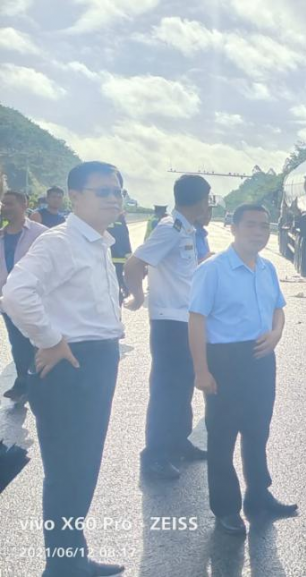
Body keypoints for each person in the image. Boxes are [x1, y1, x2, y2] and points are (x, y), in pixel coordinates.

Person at [3, 161, 127, 577]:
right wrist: (50, 339)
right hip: (73, 365)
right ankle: (61, 566)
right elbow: (16, 293)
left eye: (118, 191)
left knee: (83, 466)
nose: (114, 198)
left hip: (96, 363)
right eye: (104, 191)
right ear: (75, 197)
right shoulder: (60, 241)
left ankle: (72, 557)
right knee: (67, 470)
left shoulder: (97, 242)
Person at [189, 203, 296, 536]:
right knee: (222, 436)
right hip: (224, 360)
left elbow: (278, 309)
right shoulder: (214, 270)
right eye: (250, 225)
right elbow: (195, 321)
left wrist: (277, 334)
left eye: (264, 226)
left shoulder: (266, 269)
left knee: (257, 431)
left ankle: (258, 496)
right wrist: (201, 371)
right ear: (233, 228)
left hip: (262, 358)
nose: (258, 232)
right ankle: (226, 508)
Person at [125, 175, 211, 481]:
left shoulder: (185, 228)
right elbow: (134, 264)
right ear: (202, 201)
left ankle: (177, 441)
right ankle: (155, 455)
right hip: (169, 322)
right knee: (166, 390)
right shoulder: (168, 229)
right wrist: (136, 296)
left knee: (182, 386)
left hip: (185, 320)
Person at [0, 190, 48, 405]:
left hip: (36, 300)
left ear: (24, 204)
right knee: (17, 343)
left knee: (38, 342)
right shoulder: (1, 235)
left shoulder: (41, 233)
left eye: (9, 203)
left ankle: (38, 385)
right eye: (3, 204)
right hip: (8, 301)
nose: (4, 207)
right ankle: (23, 384)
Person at [107, 211, 132, 305]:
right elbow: (125, 240)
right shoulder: (121, 221)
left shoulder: (101, 219)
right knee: (117, 286)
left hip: (105, 259)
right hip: (118, 260)